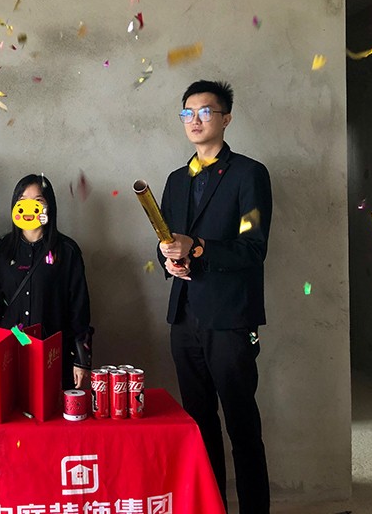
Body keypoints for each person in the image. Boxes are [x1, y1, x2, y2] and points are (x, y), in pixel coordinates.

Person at [157, 80, 272, 514]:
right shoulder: (175, 180)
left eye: (205, 112)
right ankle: (211, 508)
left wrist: (200, 247)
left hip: (230, 319)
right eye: (187, 113)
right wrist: (169, 260)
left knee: (242, 426)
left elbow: (253, 247)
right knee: (198, 423)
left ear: (226, 118)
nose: (195, 120)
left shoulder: (249, 174)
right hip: (184, 318)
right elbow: (166, 240)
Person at [0, 174, 92, 390]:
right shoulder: (0, 250)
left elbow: (79, 308)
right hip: (9, 354)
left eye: (38, 201)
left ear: (49, 207)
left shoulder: (67, 251)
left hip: (53, 355)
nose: (30, 207)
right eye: (23, 201)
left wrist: (81, 360)